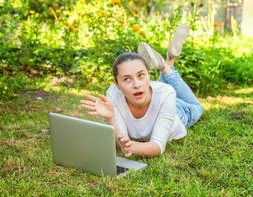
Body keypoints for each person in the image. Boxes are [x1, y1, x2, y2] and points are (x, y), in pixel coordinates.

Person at [80, 24, 203, 157]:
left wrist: (129, 146)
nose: (136, 85)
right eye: (127, 79)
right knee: (160, 92)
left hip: (178, 112)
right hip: (157, 98)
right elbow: (122, 140)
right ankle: (168, 62)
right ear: (117, 84)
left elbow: (156, 147)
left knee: (197, 107)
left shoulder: (166, 93)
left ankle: (166, 65)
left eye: (141, 75)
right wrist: (111, 118)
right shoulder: (113, 95)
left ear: (149, 76)